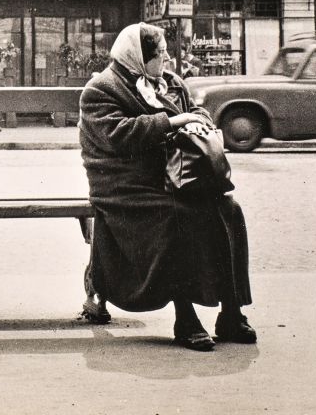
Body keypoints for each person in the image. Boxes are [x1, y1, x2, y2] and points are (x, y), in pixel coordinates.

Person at [78, 22, 256, 351]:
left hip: (174, 176)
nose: (166, 58)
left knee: (229, 210)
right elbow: (117, 135)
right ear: (138, 57)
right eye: (159, 54)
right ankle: (185, 317)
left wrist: (199, 120)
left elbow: (193, 110)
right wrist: (173, 122)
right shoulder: (101, 89)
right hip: (124, 182)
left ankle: (231, 311)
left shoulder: (169, 82)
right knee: (178, 217)